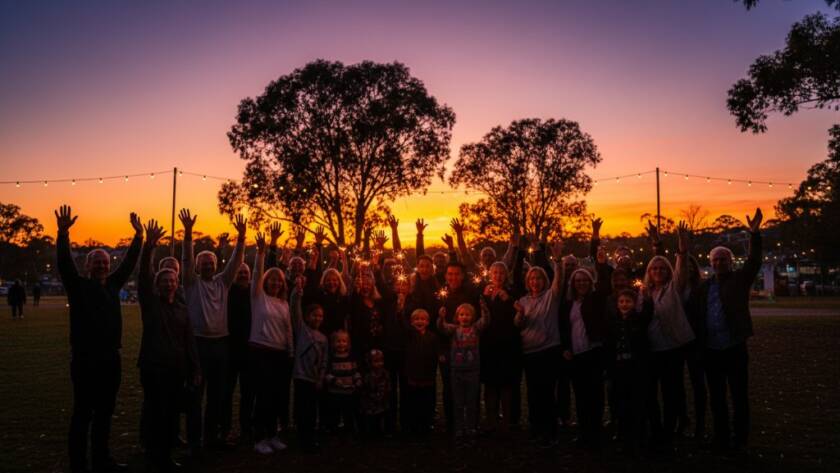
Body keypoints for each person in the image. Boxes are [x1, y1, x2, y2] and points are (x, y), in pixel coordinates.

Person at [55, 205, 142, 473]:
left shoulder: (114, 285)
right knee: (83, 413)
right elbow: (64, 264)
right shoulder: (78, 286)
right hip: (84, 360)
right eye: (97, 262)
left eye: (105, 262)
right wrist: (62, 234)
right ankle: (78, 464)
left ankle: (102, 459)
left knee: (105, 413)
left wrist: (139, 237)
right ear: (87, 265)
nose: (103, 265)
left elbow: (127, 264)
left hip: (110, 359)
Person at [690, 208, 763, 452]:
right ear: (710, 263)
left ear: (731, 262)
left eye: (723, 259)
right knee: (717, 397)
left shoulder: (739, 280)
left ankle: (740, 437)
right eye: (715, 260)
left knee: (739, 396)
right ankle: (721, 436)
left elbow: (754, 262)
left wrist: (754, 234)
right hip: (711, 350)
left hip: (734, 346)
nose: (719, 262)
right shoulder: (704, 287)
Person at [179, 209, 246, 452]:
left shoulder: (223, 282)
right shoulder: (191, 282)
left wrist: (241, 239)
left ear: (216, 265)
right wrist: (187, 234)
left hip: (221, 345)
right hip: (198, 345)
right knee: (196, 395)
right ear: (197, 266)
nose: (207, 266)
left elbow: (236, 262)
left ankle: (212, 438)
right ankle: (195, 442)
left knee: (217, 396)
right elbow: (185, 260)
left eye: (211, 263)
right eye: (203, 263)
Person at [136, 219, 200, 472]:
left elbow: (190, 341)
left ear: (177, 284)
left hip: (177, 369)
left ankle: (164, 454)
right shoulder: (151, 306)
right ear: (157, 285)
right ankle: (155, 455)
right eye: (164, 280)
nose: (169, 283)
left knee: (171, 413)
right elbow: (143, 276)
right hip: (154, 369)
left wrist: (195, 369)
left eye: (172, 280)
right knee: (156, 412)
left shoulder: (182, 309)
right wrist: (149, 247)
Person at [643, 221, 695, 448]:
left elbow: (681, 271)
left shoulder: (674, 288)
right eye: (654, 268)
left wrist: (682, 251)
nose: (658, 271)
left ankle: (669, 429)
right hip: (650, 351)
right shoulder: (644, 293)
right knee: (650, 393)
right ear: (649, 272)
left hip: (672, 348)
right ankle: (655, 429)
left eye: (662, 268)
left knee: (671, 391)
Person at [514, 240, 565, 448]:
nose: (535, 281)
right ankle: (536, 429)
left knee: (547, 392)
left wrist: (558, 260)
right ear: (528, 281)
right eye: (532, 278)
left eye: (539, 278)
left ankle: (550, 432)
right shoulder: (524, 301)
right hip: (530, 353)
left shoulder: (551, 297)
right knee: (533, 393)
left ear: (544, 280)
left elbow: (559, 281)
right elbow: (518, 325)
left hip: (549, 351)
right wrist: (519, 314)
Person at [249, 231, 294, 455]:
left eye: (279, 280)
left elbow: (288, 329)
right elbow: (257, 273)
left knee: (277, 397)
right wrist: (261, 252)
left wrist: (290, 351)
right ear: (266, 281)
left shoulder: (283, 303)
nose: (276, 282)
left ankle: (272, 434)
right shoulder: (258, 297)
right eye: (272, 279)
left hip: (280, 354)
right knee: (263, 397)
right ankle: (259, 438)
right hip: (261, 352)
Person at [560, 267, 610, 449]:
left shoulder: (597, 299)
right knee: (580, 395)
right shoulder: (568, 304)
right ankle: (584, 432)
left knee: (595, 394)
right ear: (573, 284)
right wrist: (565, 347)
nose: (581, 283)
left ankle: (596, 431)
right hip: (576, 354)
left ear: (590, 283)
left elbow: (605, 282)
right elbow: (564, 327)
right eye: (578, 281)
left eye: (585, 280)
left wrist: (601, 262)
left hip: (593, 351)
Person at [605, 288, 653, 457]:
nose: (624, 304)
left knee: (637, 403)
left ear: (634, 304)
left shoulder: (639, 321)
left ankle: (639, 438)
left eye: (628, 301)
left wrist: (643, 297)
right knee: (621, 404)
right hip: (619, 369)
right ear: (617, 305)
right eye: (621, 302)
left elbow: (648, 314)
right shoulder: (613, 323)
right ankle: (625, 438)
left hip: (635, 368)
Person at [480, 259, 524, 434]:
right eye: (495, 272)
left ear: (506, 275)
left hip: (508, 345)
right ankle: (491, 421)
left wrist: (509, 300)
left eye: (501, 272)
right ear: (490, 274)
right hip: (489, 345)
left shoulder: (512, 292)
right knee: (490, 386)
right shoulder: (484, 292)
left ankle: (506, 422)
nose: (498, 276)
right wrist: (484, 297)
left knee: (506, 386)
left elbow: (518, 315)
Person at [437, 301, 490, 445]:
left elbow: (485, 322)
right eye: (462, 315)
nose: (464, 317)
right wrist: (441, 318)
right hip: (456, 370)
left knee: (472, 401)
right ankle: (459, 428)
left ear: (472, 317)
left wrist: (484, 309)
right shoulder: (454, 330)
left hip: (473, 370)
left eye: (467, 315)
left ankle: (472, 427)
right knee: (458, 402)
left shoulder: (475, 329)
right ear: (457, 317)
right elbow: (442, 328)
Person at [289, 277, 328, 453]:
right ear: (307, 316)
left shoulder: (324, 338)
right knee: (301, 408)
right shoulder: (302, 329)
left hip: (314, 378)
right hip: (301, 376)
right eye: (314, 315)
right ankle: (301, 436)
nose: (317, 318)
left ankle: (310, 436)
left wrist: (320, 378)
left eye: (320, 316)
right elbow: (295, 311)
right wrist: (298, 294)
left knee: (312, 409)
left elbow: (324, 360)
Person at [221, 260, 253, 445]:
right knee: (227, 392)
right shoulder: (228, 291)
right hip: (230, 349)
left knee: (248, 393)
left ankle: (246, 427)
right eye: (239, 273)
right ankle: (224, 428)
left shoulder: (254, 293)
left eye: (245, 272)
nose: (242, 275)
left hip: (249, 351)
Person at [401, 309, 440, 440]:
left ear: (428, 322)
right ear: (411, 322)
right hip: (413, 374)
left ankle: (426, 425)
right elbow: (403, 324)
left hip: (427, 375)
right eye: (416, 319)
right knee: (413, 401)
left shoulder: (432, 337)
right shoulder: (410, 335)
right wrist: (401, 310)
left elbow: (435, 354)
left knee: (427, 401)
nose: (419, 321)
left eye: (423, 319)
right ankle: (414, 425)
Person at [323, 330, 363, 434]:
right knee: (334, 413)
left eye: (344, 341)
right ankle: (333, 431)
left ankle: (348, 432)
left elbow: (355, 371)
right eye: (338, 341)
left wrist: (358, 380)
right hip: (335, 392)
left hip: (349, 392)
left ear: (348, 343)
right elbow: (326, 373)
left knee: (348, 413)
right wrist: (334, 380)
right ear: (333, 343)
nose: (341, 343)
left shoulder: (351, 357)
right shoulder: (331, 358)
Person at [360, 349, 391, 437]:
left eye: (381, 361)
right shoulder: (368, 376)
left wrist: (385, 393)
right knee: (372, 419)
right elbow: (366, 389)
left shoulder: (385, 373)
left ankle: (380, 431)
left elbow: (388, 386)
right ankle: (371, 432)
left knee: (380, 417)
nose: (379, 363)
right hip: (371, 402)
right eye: (376, 361)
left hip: (382, 400)